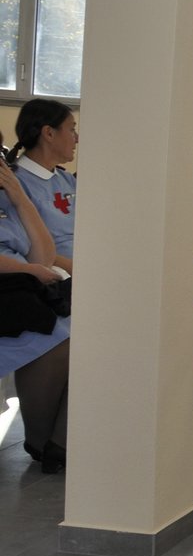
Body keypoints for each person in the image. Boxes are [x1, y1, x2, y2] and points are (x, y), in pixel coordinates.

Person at [0, 127, 69, 474]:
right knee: (53, 333)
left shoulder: (5, 197)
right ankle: (45, 441)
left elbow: (44, 253)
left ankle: (58, 441)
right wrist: (29, 269)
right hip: (10, 287)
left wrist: (21, 199)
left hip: (18, 285)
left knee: (85, 329)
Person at [6, 98, 77, 274]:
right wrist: (84, 272)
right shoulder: (13, 183)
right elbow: (27, 248)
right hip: (58, 275)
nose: (77, 138)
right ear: (49, 133)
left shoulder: (67, 180)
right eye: (72, 129)